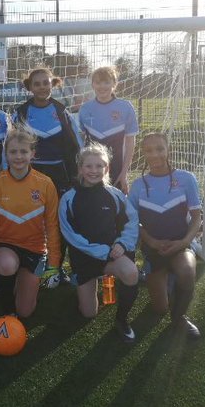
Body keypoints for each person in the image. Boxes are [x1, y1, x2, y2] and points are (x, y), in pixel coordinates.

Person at [58, 143, 139, 343]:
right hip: (85, 259)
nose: (94, 170)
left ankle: (122, 321)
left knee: (131, 272)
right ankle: (82, 283)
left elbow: (131, 222)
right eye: (88, 166)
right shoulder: (68, 198)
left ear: (107, 168)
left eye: (99, 166)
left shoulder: (115, 194)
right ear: (80, 168)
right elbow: (70, 234)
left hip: (113, 254)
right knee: (88, 313)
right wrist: (102, 251)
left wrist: (122, 244)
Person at [0, 125, 61, 321]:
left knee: (26, 311)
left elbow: (52, 226)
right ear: (6, 154)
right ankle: (8, 314)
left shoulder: (45, 184)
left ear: (32, 153)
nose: (18, 157)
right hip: (6, 246)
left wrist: (54, 264)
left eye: (23, 151)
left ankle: (16, 282)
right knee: (7, 265)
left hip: (35, 249)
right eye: (13, 152)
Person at [127, 131, 202, 339]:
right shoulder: (138, 185)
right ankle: (167, 278)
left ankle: (179, 319)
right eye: (149, 150)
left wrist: (184, 242)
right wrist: (151, 241)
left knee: (186, 270)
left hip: (180, 246)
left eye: (160, 149)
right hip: (153, 249)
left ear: (168, 149)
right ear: (143, 153)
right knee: (160, 308)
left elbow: (197, 217)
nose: (155, 154)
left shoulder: (186, 178)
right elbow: (132, 221)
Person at [10, 65, 79, 195]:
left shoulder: (62, 112)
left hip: (60, 174)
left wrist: (77, 174)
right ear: (30, 87)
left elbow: (77, 145)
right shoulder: (21, 114)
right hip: (29, 172)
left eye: (46, 83)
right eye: (37, 84)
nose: (42, 87)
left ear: (52, 84)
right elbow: (9, 147)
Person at [76, 66, 139, 194]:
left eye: (106, 82)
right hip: (92, 171)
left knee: (115, 203)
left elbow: (130, 142)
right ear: (92, 85)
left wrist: (124, 173)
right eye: (98, 82)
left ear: (114, 84)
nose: (102, 86)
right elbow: (80, 142)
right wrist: (81, 170)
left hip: (117, 170)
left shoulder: (125, 107)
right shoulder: (85, 109)